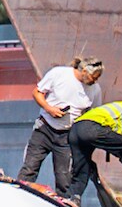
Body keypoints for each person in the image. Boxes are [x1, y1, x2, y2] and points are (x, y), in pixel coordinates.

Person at [17, 57, 103, 197]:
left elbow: (94, 113)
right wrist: (49, 109)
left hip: (67, 136)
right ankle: (20, 197)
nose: (95, 81)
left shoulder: (95, 89)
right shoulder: (59, 74)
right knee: (29, 168)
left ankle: (64, 205)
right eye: (94, 77)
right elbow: (37, 92)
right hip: (44, 129)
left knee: (64, 179)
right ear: (84, 71)